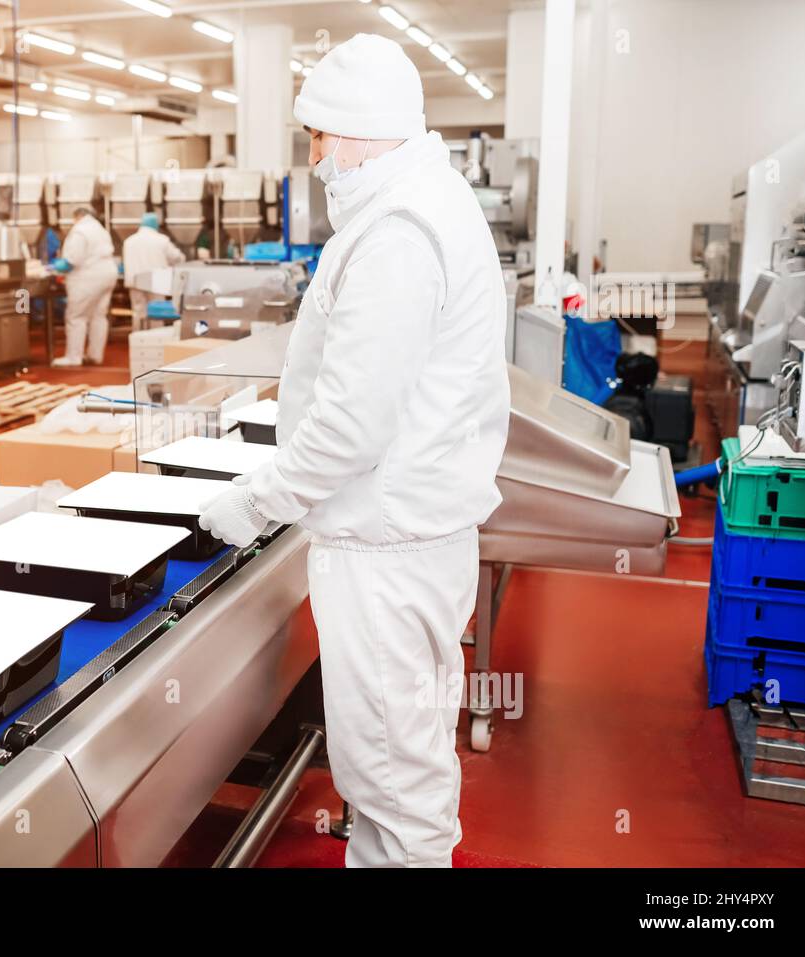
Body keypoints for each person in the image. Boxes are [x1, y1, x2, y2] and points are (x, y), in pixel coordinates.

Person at [198, 32, 510, 868]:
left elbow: (351, 424)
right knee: (396, 773)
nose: (317, 157)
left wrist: (259, 500)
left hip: (387, 554)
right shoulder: (425, 205)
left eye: (320, 137)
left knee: (394, 784)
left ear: (361, 131)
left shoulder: (399, 234)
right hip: (411, 543)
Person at [51, 206, 118, 367]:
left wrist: (57, 266)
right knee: (98, 316)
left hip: (88, 277)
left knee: (76, 316)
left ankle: (73, 357)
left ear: (77, 216)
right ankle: (95, 355)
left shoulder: (79, 231)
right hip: (108, 275)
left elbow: (73, 260)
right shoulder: (100, 229)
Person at [122, 212, 185, 328]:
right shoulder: (162, 240)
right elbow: (178, 258)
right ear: (155, 225)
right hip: (156, 282)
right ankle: (155, 340)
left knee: (138, 312)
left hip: (135, 281)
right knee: (157, 312)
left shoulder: (129, 241)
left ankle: (138, 340)